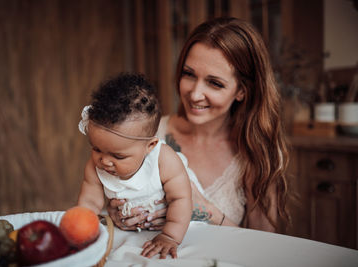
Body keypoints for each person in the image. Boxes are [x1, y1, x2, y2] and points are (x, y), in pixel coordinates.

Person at [107, 17, 290, 233]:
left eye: (214, 83)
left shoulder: (256, 153)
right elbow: (105, 201)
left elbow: (265, 249)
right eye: (189, 74)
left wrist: (205, 211)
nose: (195, 94)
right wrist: (115, 215)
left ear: (242, 91)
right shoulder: (148, 134)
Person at [77, 73, 192, 259]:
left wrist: (170, 235)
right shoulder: (94, 167)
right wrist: (80, 231)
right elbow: (89, 204)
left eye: (118, 156)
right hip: (127, 229)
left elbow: (181, 199)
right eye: (97, 149)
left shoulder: (164, 160)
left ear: (150, 146)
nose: (104, 161)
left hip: (175, 225)